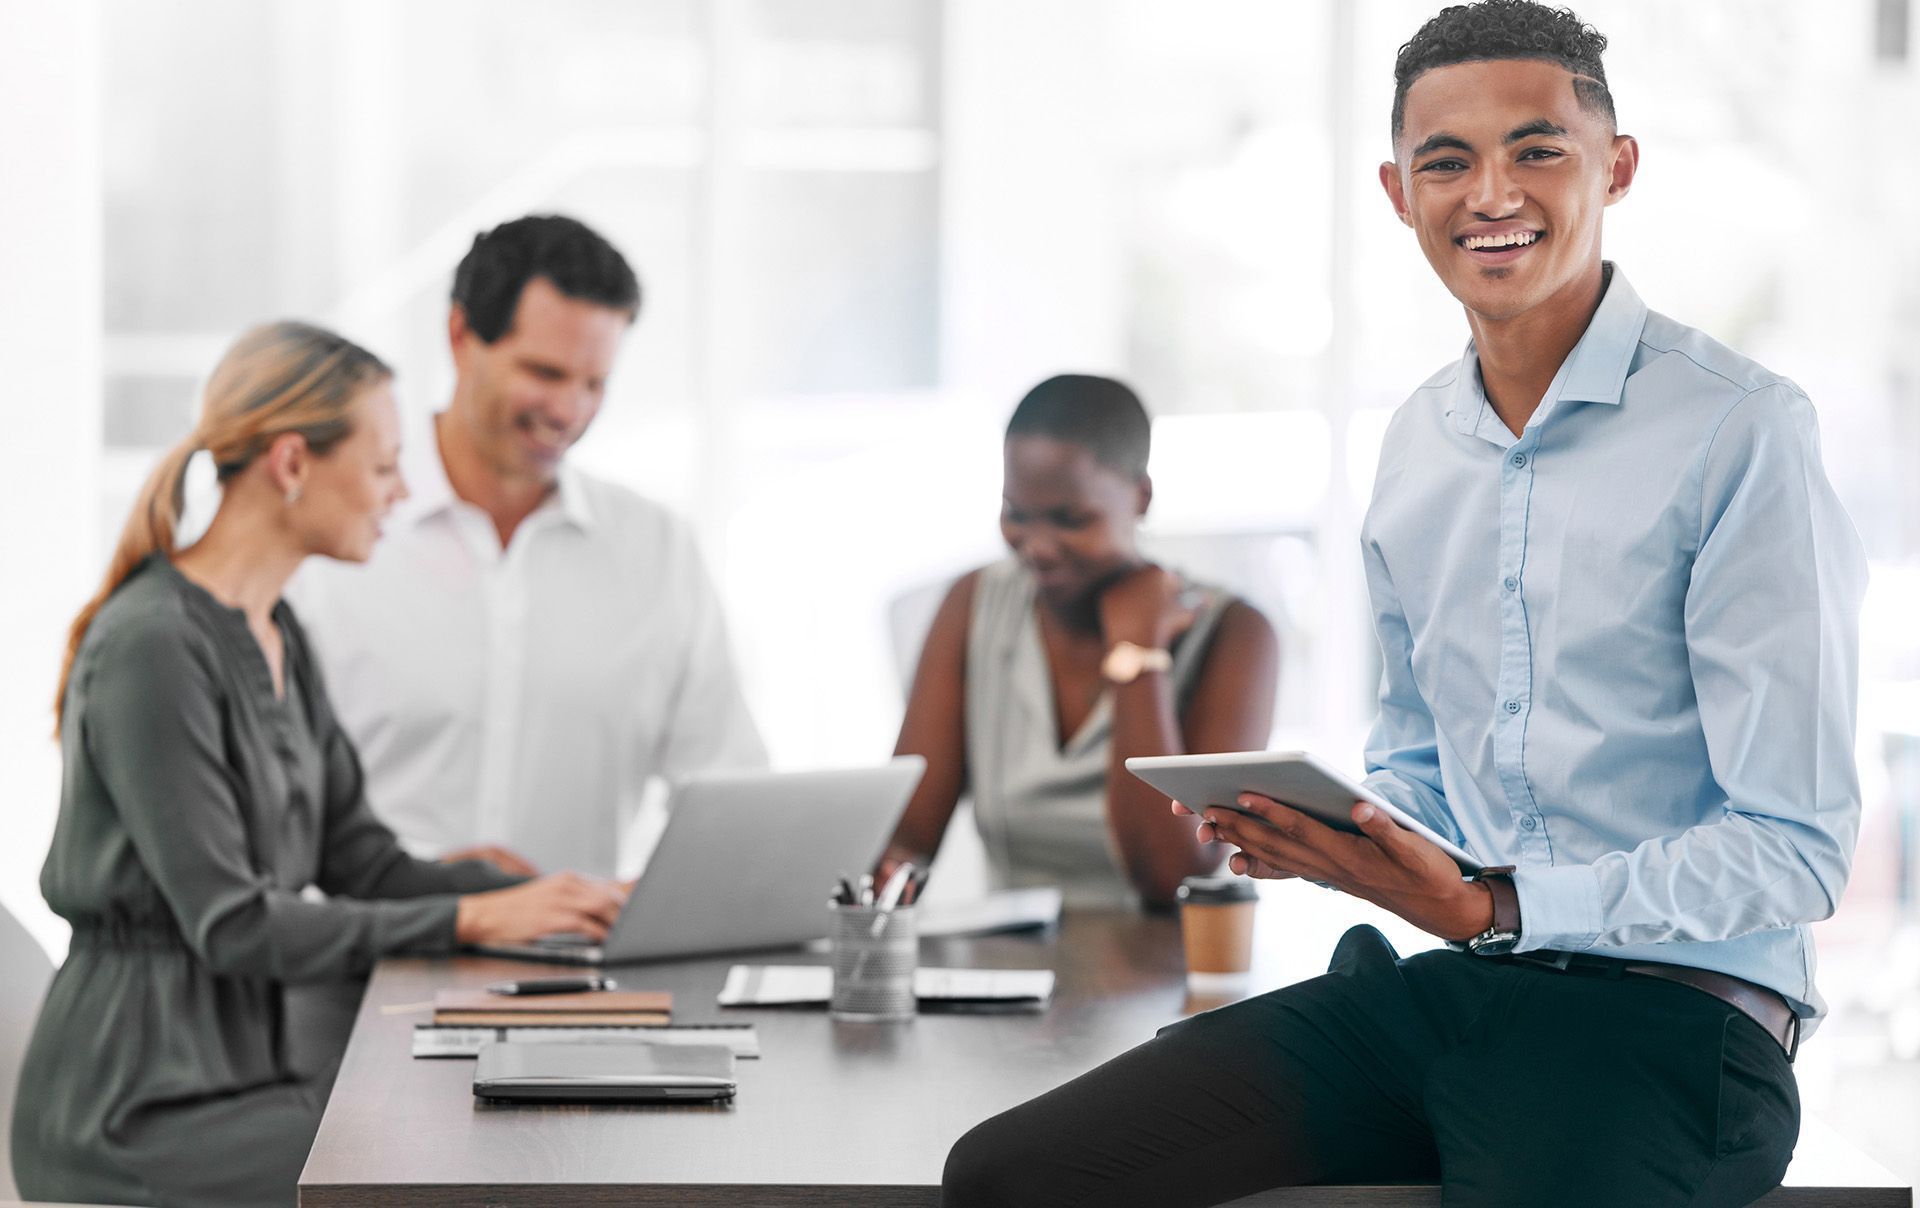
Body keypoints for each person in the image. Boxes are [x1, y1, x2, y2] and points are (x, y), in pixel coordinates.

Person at [942, 3, 1864, 1205]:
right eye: (1447, 159)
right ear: (1397, 190)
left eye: (1538, 149)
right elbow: (1423, 759)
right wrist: (1340, 835)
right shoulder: (1418, 446)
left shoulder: (1741, 431)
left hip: (1679, 1026)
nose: (1492, 192)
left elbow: (1796, 846)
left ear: (1617, 167)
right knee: (1008, 1174)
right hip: (1455, 988)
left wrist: (1503, 902)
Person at [12, 322, 628, 1208]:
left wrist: (550, 901)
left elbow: (362, 861)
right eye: (383, 467)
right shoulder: (154, 645)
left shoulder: (277, 631)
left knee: (481, 1124)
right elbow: (235, 926)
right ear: (293, 463)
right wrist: (471, 919)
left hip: (246, 1081)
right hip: (137, 1115)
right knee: (459, 1150)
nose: (403, 491)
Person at [290, 215, 765, 880]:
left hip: (578, 972)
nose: (569, 410)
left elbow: (728, 794)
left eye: (594, 383)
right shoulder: (326, 538)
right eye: (544, 372)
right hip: (352, 968)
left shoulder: (657, 552)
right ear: (460, 337)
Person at [876, 374, 1278, 907]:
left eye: (1070, 519)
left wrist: (1138, 653)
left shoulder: (1234, 632)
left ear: (1141, 496)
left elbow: (1174, 879)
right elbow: (907, 841)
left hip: (1179, 977)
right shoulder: (974, 604)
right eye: (1016, 514)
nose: (1037, 547)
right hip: (1011, 971)